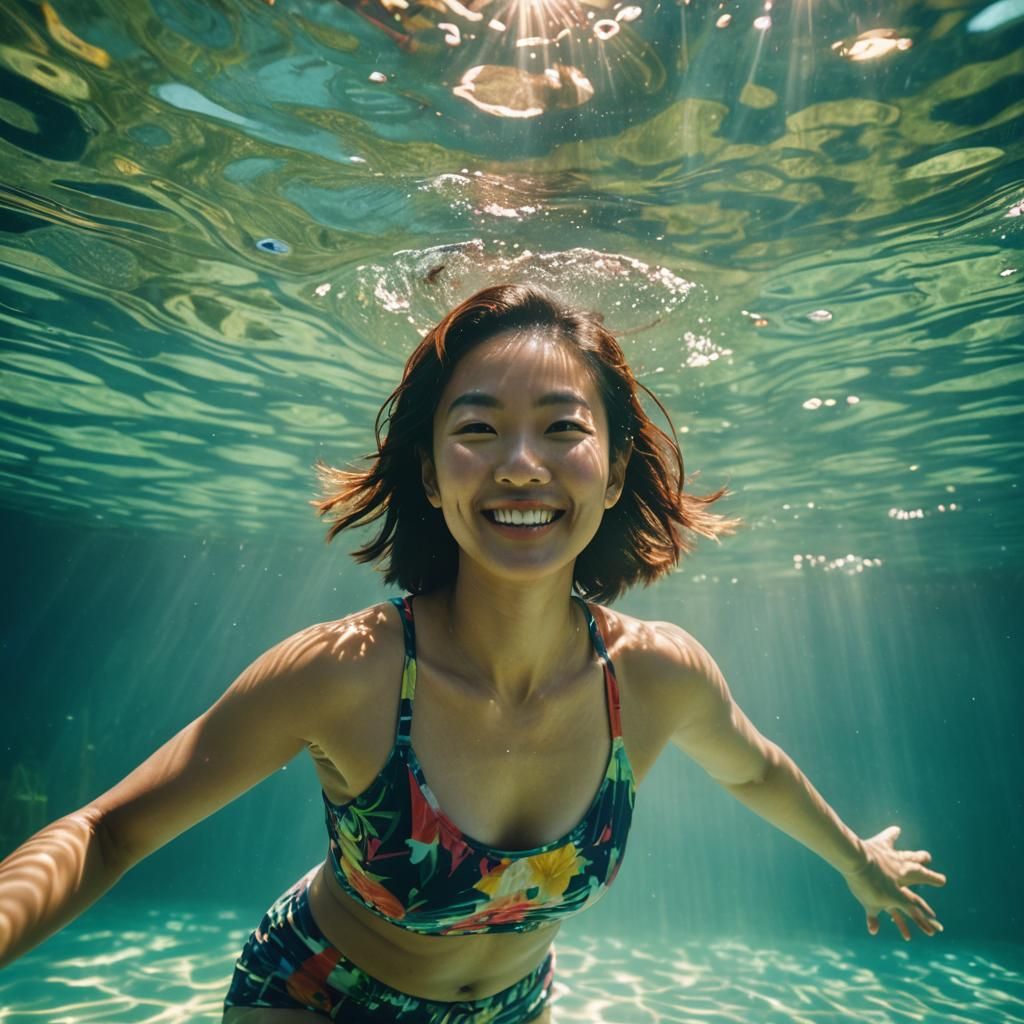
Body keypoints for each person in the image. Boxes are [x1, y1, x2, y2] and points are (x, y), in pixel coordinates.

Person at [0, 284, 946, 1021]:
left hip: (512, 1007)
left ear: (616, 471)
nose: (521, 464)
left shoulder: (655, 677)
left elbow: (757, 772)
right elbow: (108, 831)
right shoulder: (348, 672)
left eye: (564, 428)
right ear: (431, 470)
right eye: (479, 428)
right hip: (318, 998)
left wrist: (857, 860)